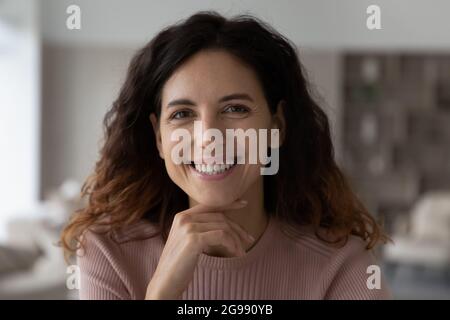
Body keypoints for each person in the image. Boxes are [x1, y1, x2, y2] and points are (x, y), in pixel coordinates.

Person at [60, 11, 391, 300]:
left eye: (235, 109)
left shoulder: (341, 266)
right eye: (182, 114)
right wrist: (161, 293)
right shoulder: (108, 253)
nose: (209, 138)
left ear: (276, 126)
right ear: (159, 138)